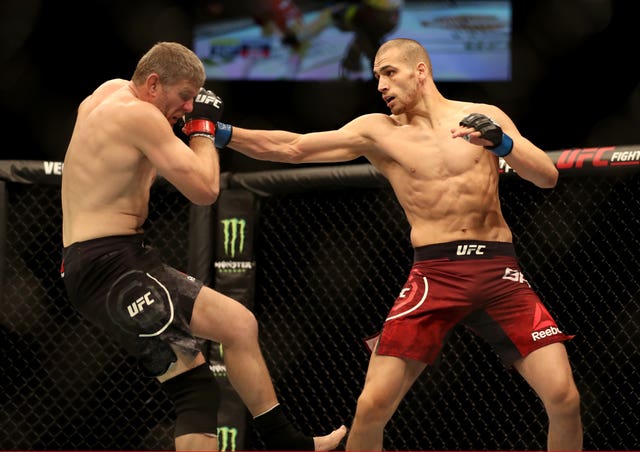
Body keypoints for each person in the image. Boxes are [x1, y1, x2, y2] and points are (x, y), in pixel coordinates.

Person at [209, 38, 583, 450]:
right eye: (376, 77)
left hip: (499, 272)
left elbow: (547, 175)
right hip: (435, 274)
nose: (381, 85)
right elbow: (295, 147)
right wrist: (220, 132)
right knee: (372, 405)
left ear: (420, 71)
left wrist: (503, 144)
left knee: (565, 397)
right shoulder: (377, 131)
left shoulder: (483, 117)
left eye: (389, 73)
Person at [60, 41, 347, 451]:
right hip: (112, 266)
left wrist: (199, 129)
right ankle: (286, 443)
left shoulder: (108, 93)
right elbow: (206, 190)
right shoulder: (141, 115)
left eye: (195, 101)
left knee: (237, 325)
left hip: (106, 260)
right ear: (154, 83)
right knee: (195, 391)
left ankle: (283, 440)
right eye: (184, 97)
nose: (188, 108)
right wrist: (203, 130)